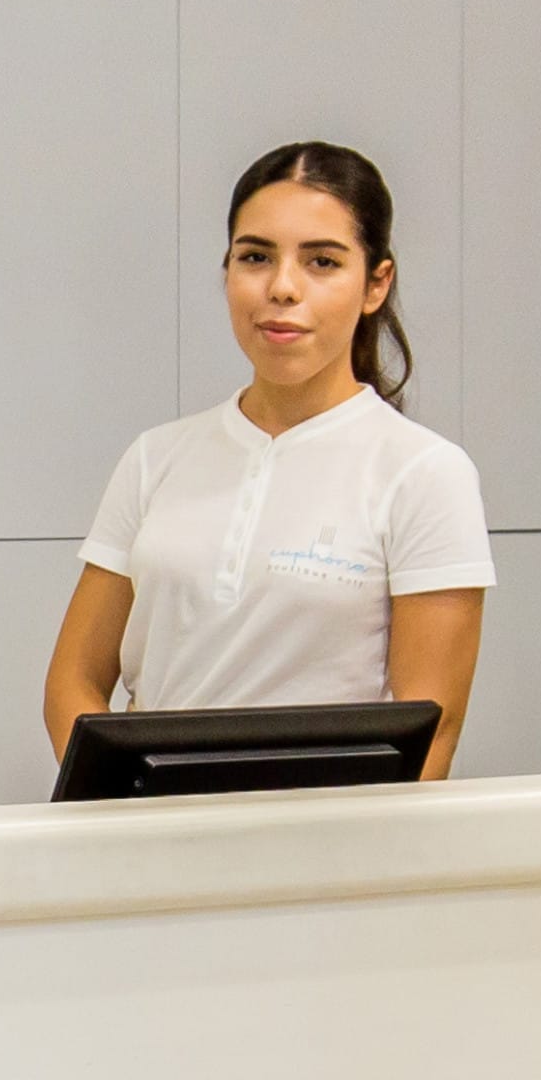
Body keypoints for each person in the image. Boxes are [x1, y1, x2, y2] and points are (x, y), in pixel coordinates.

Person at [41, 139, 491, 779]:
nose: (282, 288)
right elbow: (72, 681)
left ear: (375, 283)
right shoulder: (156, 458)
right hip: (151, 846)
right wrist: (126, 808)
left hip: (322, 859)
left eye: (322, 262)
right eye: (256, 257)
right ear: (226, 270)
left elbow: (432, 731)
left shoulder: (423, 473)